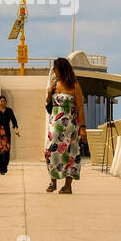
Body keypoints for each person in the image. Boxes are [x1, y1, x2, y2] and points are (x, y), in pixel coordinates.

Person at [44, 56, 85, 193]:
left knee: (71, 153)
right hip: (55, 122)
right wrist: (49, 93)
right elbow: (48, 104)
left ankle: (68, 185)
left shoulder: (74, 85)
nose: (55, 72)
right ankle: (53, 181)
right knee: (51, 151)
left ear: (62, 69)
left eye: (56, 69)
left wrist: (83, 128)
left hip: (70, 125)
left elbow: (80, 107)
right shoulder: (55, 83)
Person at [0, 95, 18, 174]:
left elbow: (14, 121)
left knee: (7, 151)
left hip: (7, 132)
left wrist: (16, 128)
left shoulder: (9, 111)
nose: (2, 102)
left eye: (4, 101)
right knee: (1, 151)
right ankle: (1, 169)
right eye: (1, 101)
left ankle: (5, 165)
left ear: (5, 102)